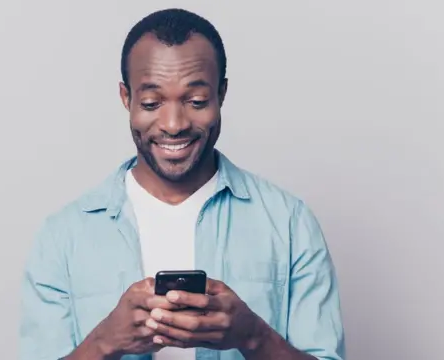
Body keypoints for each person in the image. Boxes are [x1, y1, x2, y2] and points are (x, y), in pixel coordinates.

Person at [19, 8, 346, 360]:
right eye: (151, 102)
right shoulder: (63, 236)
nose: (174, 124)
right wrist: (103, 343)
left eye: (196, 101)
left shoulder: (289, 223)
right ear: (126, 98)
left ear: (221, 95)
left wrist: (252, 336)